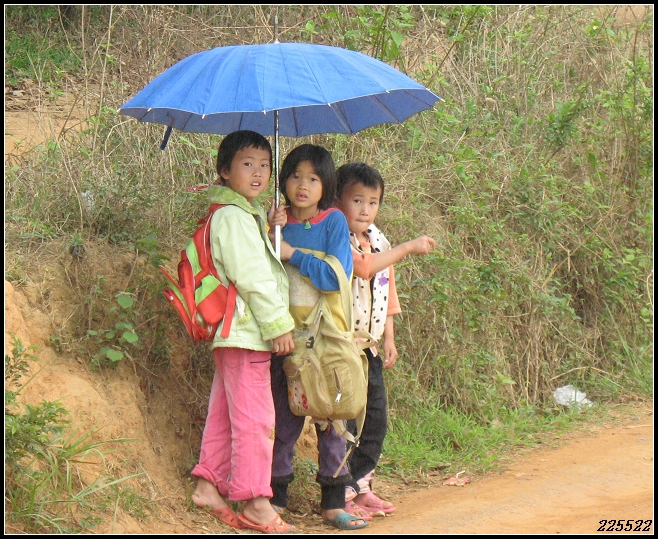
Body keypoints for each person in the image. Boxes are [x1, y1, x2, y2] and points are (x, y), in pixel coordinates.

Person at [189, 130, 296, 534]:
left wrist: (266, 226)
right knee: (256, 418)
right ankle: (255, 501)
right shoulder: (234, 217)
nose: (258, 173)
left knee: (225, 411)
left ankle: (207, 484)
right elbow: (252, 277)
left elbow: (249, 261)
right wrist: (278, 324)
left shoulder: (236, 214)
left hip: (234, 332)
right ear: (224, 170)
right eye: (247, 164)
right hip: (247, 330)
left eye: (265, 165)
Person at [268, 144, 369, 531]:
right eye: (295, 176)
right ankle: (275, 499)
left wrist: (292, 252)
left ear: (326, 184)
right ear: (284, 181)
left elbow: (335, 276)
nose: (303, 185)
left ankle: (333, 503)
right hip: (285, 338)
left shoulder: (334, 222)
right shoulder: (278, 223)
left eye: (313, 178)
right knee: (284, 421)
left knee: (331, 421)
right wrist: (270, 230)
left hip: (326, 339)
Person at [335, 161, 436, 517]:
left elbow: (386, 288)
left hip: (370, 348)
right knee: (345, 423)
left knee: (376, 419)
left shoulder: (378, 239)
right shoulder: (336, 237)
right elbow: (364, 267)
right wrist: (408, 247)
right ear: (337, 200)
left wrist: (388, 336)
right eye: (357, 200)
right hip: (342, 348)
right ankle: (341, 490)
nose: (365, 210)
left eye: (373, 202)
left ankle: (362, 484)